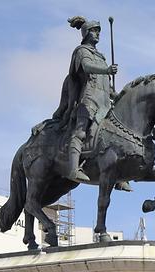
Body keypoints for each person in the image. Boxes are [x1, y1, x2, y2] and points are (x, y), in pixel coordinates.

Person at [54, 16, 117, 182]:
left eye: (98, 31)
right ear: (86, 33)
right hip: (89, 99)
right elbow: (87, 68)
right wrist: (107, 70)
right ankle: (74, 169)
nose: (97, 34)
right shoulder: (82, 51)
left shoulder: (101, 57)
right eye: (94, 31)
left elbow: (107, 86)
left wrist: (116, 94)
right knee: (81, 132)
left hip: (105, 102)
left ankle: (119, 175)